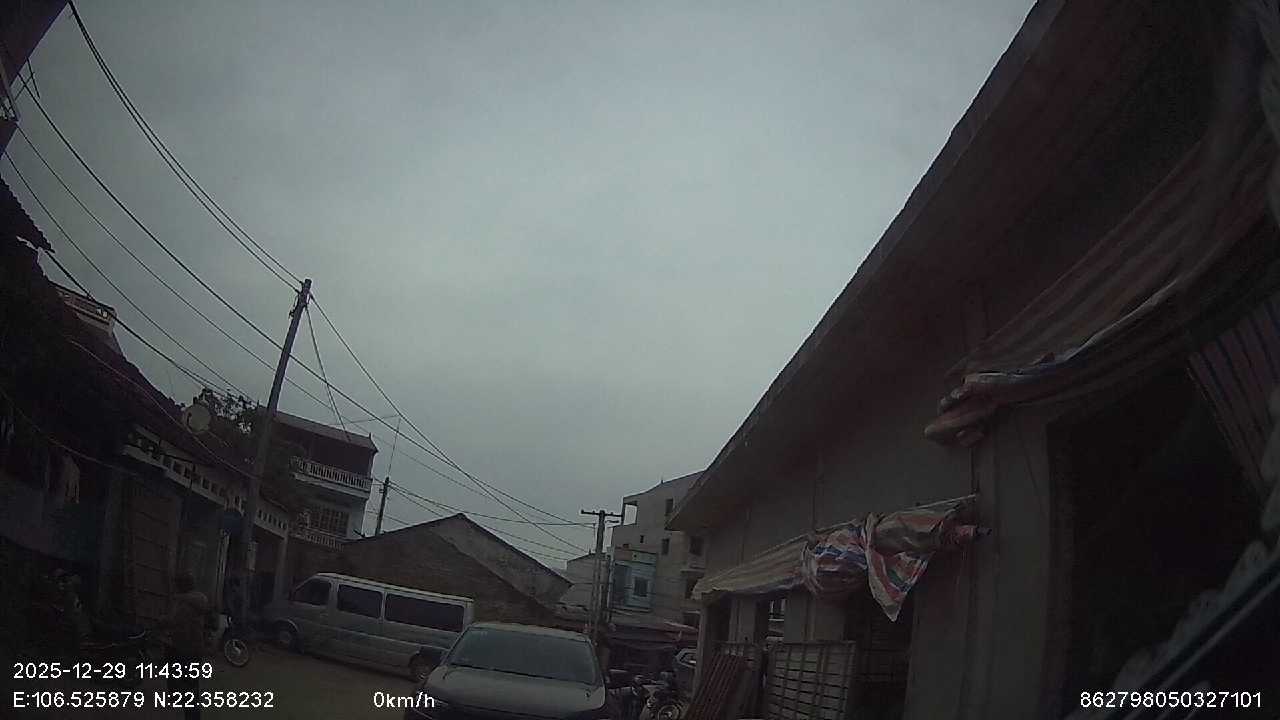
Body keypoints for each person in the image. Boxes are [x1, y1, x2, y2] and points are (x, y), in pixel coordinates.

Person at [162, 572, 209, 720]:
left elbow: (174, 621)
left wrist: (161, 620)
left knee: (187, 689)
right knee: (191, 686)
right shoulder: (199, 599)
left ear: (181, 586)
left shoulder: (184, 603)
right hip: (195, 649)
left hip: (183, 649)